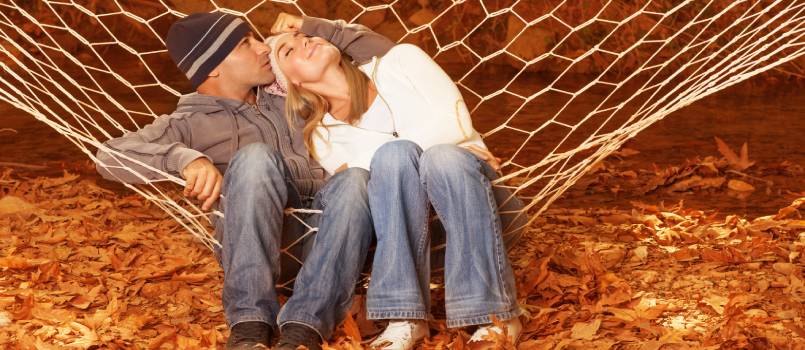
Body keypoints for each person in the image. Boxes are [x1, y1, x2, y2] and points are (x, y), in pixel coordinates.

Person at [94, 12, 394, 350]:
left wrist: (312, 28)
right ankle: (250, 324)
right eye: (244, 44)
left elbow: (386, 57)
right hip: (266, 245)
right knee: (255, 158)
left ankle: (305, 326)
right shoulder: (190, 122)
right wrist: (187, 159)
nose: (263, 48)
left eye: (256, 37)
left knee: (355, 179)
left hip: (336, 239)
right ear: (212, 69)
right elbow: (109, 156)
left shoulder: (291, 94)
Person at [269, 28, 528, 350]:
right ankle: (405, 317)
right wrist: (418, 148)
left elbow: (454, 122)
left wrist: (417, 153)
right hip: (421, 239)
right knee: (401, 155)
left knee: (443, 158)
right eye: (287, 51)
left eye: (304, 36)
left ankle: (497, 316)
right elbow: (372, 182)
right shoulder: (321, 135)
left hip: (482, 207)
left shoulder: (401, 61)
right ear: (291, 80)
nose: (304, 41)